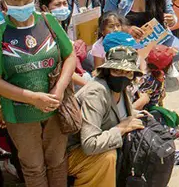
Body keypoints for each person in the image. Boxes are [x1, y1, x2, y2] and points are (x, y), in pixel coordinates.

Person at [0, 0, 77, 187]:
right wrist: (33, 98)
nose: (21, 3)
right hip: (19, 112)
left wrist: (59, 90)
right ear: (3, 0)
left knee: (57, 161)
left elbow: (70, 56)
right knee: (33, 167)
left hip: (55, 107)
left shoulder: (48, 20)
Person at [68, 44, 161, 187]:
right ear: (107, 71)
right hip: (74, 153)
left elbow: (115, 112)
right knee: (107, 157)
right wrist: (120, 128)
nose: (122, 76)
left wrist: (136, 114)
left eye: (128, 72)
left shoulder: (123, 90)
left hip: (100, 143)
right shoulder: (97, 93)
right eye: (117, 71)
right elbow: (89, 144)